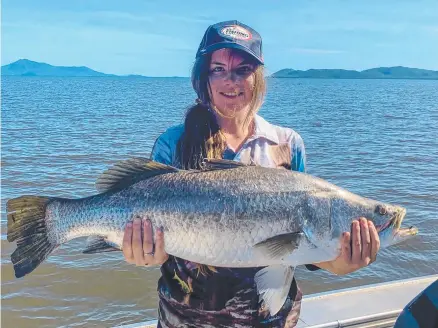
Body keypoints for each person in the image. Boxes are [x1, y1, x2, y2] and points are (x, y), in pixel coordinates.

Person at [122, 20, 381, 327]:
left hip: (271, 319)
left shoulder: (287, 144)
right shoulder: (172, 144)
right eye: (218, 69)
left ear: (257, 77)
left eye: (242, 69)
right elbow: (160, 251)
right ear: (203, 76)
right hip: (186, 320)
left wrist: (339, 263)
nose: (230, 81)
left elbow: (301, 245)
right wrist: (146, 253)